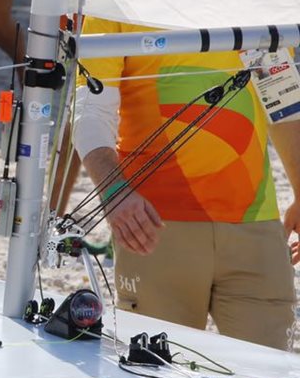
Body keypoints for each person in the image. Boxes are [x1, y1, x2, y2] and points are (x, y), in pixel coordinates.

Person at [74, 22, 300, 349]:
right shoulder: (117, 1)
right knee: (156, 375)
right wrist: (113, 192)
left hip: (255, 224)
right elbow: (91, 111)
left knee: (270, 376)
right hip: (154, 227)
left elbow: (281, 99)